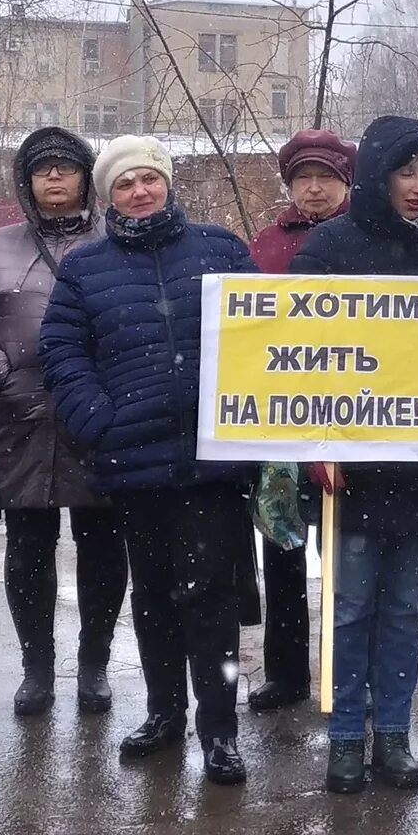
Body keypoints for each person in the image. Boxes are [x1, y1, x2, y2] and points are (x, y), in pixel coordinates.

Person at [38, 136, 257, 786]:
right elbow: (61, 350)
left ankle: (220, 733)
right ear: (109, 196)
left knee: (213, 600)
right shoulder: (85, 267)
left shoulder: (219, 250)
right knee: (155, 598)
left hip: (214, 460)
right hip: (135, 461)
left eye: (149, 179)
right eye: (125, 183)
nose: (140, 191)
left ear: (167, 183)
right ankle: (164, 715)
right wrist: (95, 420)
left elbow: (266, 336)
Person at [290, 115, 418, 796]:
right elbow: (299, 362)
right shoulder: (326, 249)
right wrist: (313, 445)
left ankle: (393, 734)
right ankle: (346, 736)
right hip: (348, 469)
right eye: (408, 171)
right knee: (349, 608)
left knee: (404, 609)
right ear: (378, 173)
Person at [0, 125, 125, 719]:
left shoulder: (116, 238)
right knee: (27, 547)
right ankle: (37, 669)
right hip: (17, 413)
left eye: (65, 166)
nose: (54, 176)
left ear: (86, 176)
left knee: (103, 546)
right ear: (27, 181)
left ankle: (94, 665)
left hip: (99, 414)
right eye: (42, 169)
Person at [242, 127, 355, 710]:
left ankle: (344, 671)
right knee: (282, 548)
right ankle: (286, 673)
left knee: (345, 559)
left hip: (354, 419)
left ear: (347, 182)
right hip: (283, 422)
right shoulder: (265, 244)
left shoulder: (366, 238)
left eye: (326, 178)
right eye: (303, 179)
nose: (314, 189)